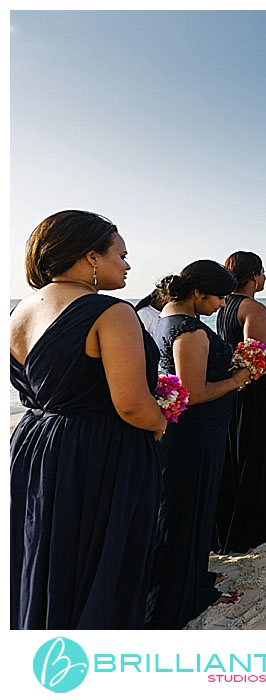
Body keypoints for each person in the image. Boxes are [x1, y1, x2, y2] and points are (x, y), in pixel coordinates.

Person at [11, 210, 166, 630]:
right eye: (122, 254)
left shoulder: (20, 311)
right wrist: (160, 422)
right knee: (103, 558)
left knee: (48, 550)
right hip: (101, 449)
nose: (128, 265)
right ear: (91, 257)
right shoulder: (110, 312)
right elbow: (131, 402)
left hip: (37, 445)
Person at [147, 260, 251, 629]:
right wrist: (238, 378)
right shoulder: (189, 331)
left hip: (189, 432)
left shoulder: (166, 317)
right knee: (186, 512)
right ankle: (182, 595)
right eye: (219, 298)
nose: (223, 305)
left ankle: (190, 579)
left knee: (187, 510)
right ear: (197, 293)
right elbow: (192, 392)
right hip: (195, 433)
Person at [213, 251, 266, 555]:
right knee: (260, 446)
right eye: (262, 272)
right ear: (253, 276)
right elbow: (257, 361)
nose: (264, 277)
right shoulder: (252, 308)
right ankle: (260, 517)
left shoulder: (224, 307)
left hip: (238, 390)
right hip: (259, 390)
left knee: (242, 447)